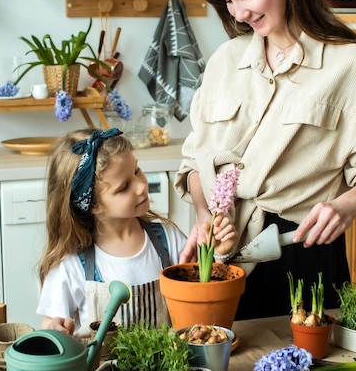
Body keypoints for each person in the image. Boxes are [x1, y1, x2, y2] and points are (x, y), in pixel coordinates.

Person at [174, 0, 356, 319]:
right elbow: (194, 163)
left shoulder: (349, 65)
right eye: (227, 0)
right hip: (223, 258)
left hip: (301, 254)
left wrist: (347, 205)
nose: (238, 13)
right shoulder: (224, 62)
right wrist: (205, 217)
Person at [37, 128, 236, 337]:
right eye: (124, 187)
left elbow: (202, 304)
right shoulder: (71, 264)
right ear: (93, 205)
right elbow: (51, 324)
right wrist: (54, 328)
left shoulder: (168, 239)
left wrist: (219, 255)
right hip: (102, 369)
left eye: (137, 171)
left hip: (168, 367)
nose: (141, 186)